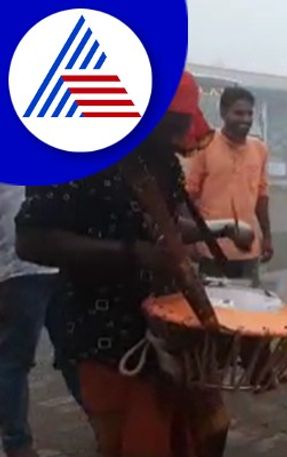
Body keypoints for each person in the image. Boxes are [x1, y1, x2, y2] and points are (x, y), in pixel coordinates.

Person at [15, 71, 251, 457]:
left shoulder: (163, 162)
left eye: (184, 124)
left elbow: (167, 224)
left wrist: (221, 229)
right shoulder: (78, 155)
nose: (181, 137)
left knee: (204, 433)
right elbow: (32, 239)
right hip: (105, 334)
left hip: (168, 329)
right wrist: (132, 254)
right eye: (173, 124)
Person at [0, 185, 80, 457]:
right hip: (19, 269)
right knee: (14, 360)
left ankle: (103, 419)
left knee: (73, 351)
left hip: (57, 261)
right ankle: (17, 443)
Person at [186, 86, 272, 286]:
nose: (245, 119)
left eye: (249, 113)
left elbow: (262, 196)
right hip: (211, 249)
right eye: (238, 113)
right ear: (223, 113)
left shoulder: (259, 149)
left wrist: (267, 237)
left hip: (248, 250)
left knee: (248, 309)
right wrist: (189, 242)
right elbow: (189, 196)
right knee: (215, 309)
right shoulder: (205, 145)